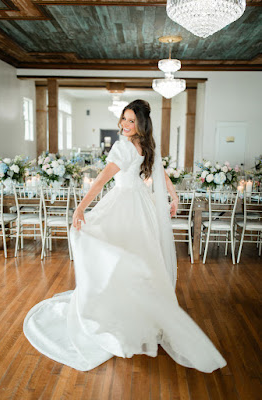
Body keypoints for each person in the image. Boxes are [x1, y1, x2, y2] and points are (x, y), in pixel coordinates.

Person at [23, 100, 226, 373]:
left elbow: (100, 181)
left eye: (131, 121)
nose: (125, 125)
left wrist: (80, 208)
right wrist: (174, 194)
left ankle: (120, 313)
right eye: (124, 119)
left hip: (125, 203)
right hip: (139, 205)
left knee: (120, 253)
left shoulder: (123, 146)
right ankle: (132, 310)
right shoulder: (144, 146)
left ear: (141, 124)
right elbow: (159, 173)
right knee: (135, 255)